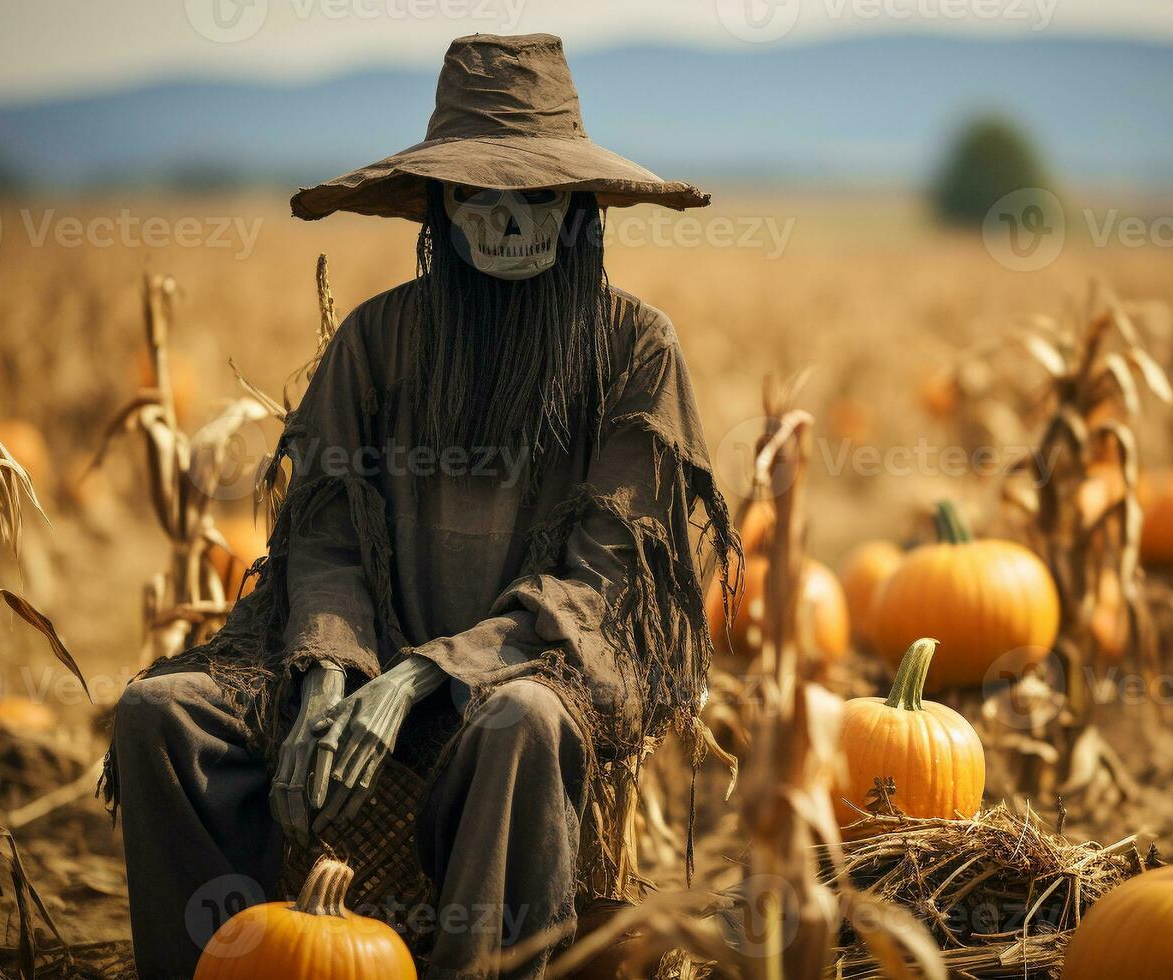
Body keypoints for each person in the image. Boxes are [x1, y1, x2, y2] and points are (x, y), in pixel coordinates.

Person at [104, 33, 734, 980]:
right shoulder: (377, 339)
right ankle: (214, 958)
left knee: (522, 719)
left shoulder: (634, 348)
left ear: (578, 210)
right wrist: (327, 675)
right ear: (440, 206)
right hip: (357, 655)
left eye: (538, 196)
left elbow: (602, 583)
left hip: (532, 670)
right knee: (163, 715)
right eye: (480, 194)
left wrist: (422, 678)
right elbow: (323, 540)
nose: (510, 221)